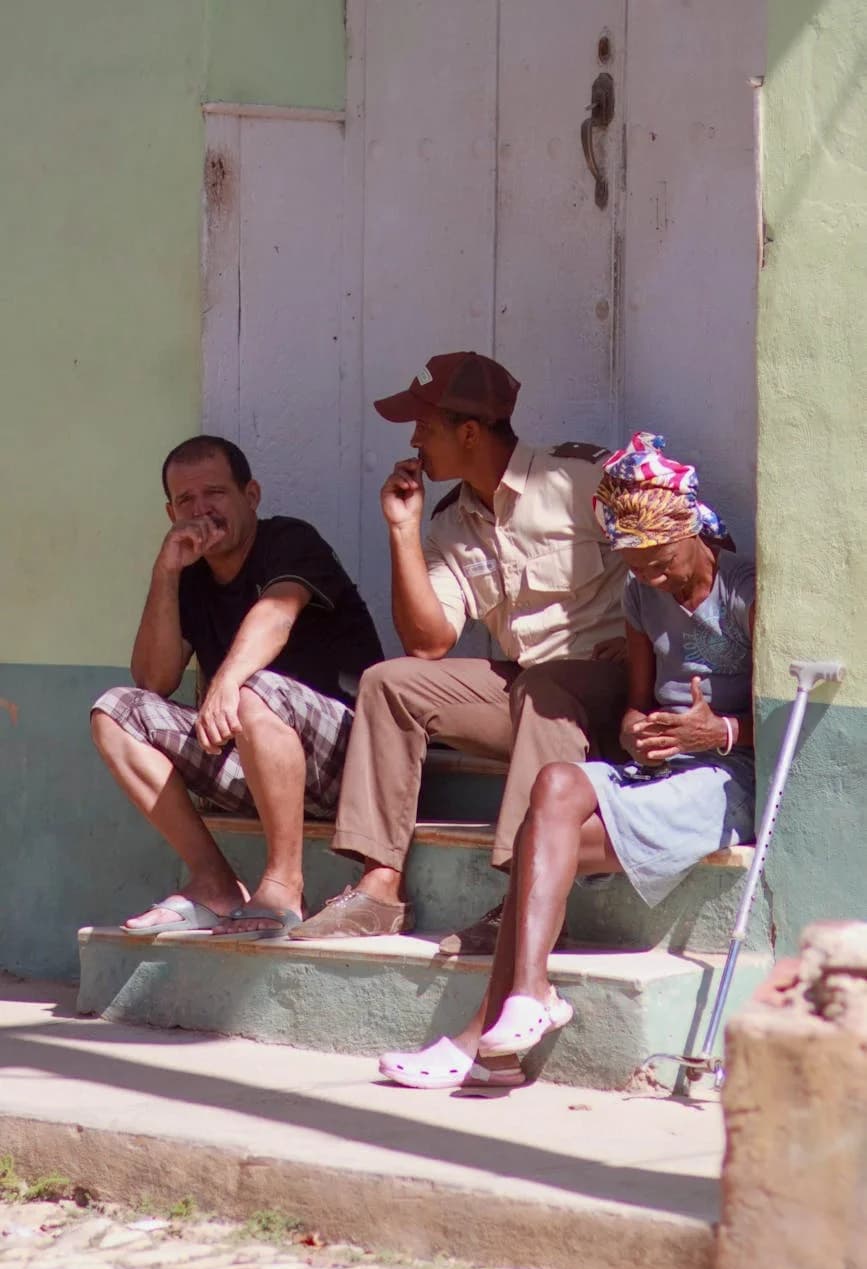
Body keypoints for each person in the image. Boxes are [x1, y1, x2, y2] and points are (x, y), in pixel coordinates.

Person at [378, 431, 756, 1088]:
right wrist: (639, 731)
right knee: (553, 785)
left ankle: (483, 1040)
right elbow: (635, 706)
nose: (649, 577)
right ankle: (527, 998)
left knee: (534, 845)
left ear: (692, 526)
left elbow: (783, 724)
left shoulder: (746, 593)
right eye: (633, 564)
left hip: (726, 779)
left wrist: (716, 733)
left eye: (659, 560)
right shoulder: (640, 596)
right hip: (661, 771)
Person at [287, 351, 628, 947]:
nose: (414, 439)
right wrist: (402, 530)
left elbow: (674, 541)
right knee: (389, 682)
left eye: (425, 426)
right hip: (531, 691)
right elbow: (428, 641)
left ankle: (526, 897)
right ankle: (379, 889)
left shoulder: (579, 478)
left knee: (546, 690)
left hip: (611, 685)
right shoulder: (450, 521)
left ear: (469, 431)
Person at [91, 435, 383, 938]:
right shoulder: (191, 575)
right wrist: (166, 572)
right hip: (252, 758)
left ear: (251, 495)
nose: (202, 510)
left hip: (350, 762)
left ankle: (284, 886)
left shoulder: (291, 540)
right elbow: (154, 680)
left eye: (216, 494)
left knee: (255, 692)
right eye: (186, 501)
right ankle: (214, 882)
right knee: (115, 711)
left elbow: (277, 615)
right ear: (170, 511)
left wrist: (225, 683)